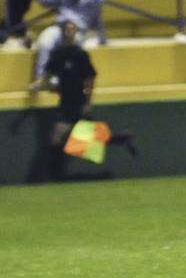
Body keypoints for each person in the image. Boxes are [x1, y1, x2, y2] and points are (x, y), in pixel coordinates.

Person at [35, 21, 136, 179]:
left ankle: (54, 175)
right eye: (66, 30)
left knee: (63, 136)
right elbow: (47, 78)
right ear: (62, 33)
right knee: (80, 137)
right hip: (65, 101)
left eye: (72, 30)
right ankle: (122, 138)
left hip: (77, 101)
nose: (69, 33)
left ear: (75, 34)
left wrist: (87, 101)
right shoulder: (57, 55)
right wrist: (43, 86)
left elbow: (90, 78)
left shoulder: (80, 55)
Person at [29, 0, 106, 84]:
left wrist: (103, 39)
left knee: (72, 49)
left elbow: (98, 19)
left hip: (77, 30)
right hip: (59, 27)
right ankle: (40, 79)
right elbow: (47, 2)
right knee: (44, 42)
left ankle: (60, 79)